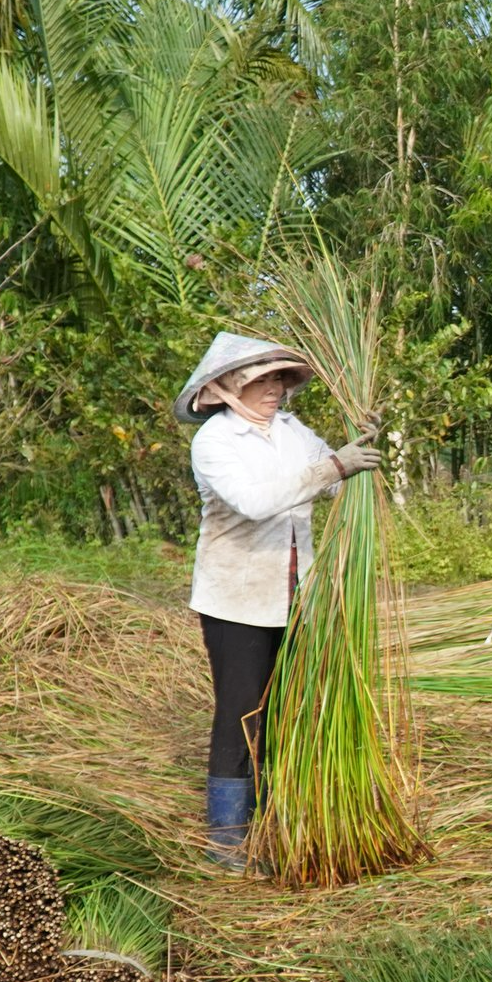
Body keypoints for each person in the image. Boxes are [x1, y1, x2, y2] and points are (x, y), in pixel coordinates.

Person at [173, 332, 383, 870]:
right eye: (261, 380)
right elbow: (255, 502)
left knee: (289, 710)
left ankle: (277, 829)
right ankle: (228, 843)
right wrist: (334, 467)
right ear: (224, 389)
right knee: (242, 714)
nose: (274, 390)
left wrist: (360, 446)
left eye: (279, 380)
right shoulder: (216, 442)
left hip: (296, 594)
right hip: (236, 599)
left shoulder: (293, 432)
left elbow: (334, 482)